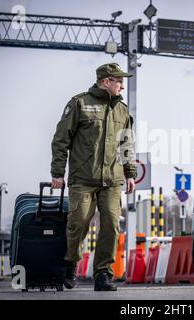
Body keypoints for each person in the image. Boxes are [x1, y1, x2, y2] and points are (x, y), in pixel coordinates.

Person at [51, 63, 137, 291]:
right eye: (118, 80)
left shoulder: (122, 110)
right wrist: (57, 172)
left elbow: (127, 144)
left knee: (110, 225)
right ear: (106, 81)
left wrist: (130, 174)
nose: (122, 84)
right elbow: (61, 139)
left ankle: (103, 275)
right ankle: (70, 264)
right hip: (82, 179)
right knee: (78, 224)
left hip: (112, 180)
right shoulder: (80, 103)